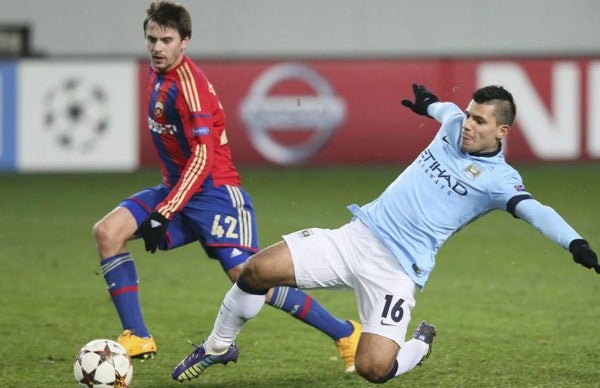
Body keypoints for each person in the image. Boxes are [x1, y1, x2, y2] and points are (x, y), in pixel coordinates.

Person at [171, 83, 599, 384]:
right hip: (356, 238)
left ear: (501, 132)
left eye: (480, 121)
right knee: (256, 270)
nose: (468, 124)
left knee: (374, 369)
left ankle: (419, 346)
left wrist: (575, 243)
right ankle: (217, 346)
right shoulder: (453, 123)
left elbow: (536, 211)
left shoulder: (500, 180)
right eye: (469, 114)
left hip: (396, 272)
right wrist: (428, 102)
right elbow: (443, 109)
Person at [92, 0, 360, 373]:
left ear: (185, 41)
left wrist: (164, 212)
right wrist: (168, 202)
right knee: (108, 232)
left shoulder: (189, 87)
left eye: (166, 39)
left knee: (252, 279)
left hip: (216, 195)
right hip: (177, 188)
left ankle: (346, 333)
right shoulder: (158, 73)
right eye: (151, 39)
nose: (156, 47)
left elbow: (202, 159)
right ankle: (137, 335)